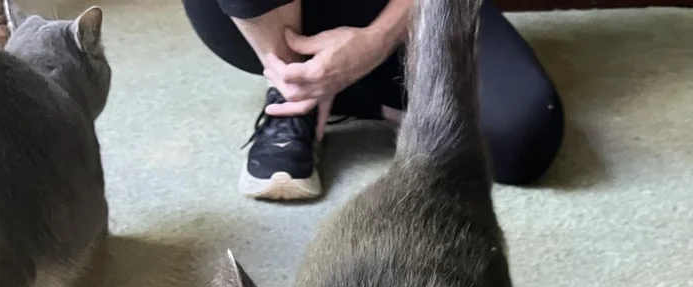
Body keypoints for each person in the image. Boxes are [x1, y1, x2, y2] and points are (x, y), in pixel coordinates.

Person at [183, 0, 564, 200]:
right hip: (265, 14)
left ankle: (337, 89)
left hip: (406, 9)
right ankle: (295, 91)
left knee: (521, 139)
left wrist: (377, 40)